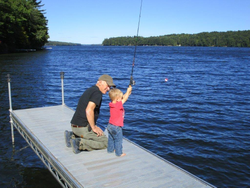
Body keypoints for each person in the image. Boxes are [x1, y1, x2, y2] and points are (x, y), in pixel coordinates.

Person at [64, 74, 116, 154]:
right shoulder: (97, 93)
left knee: (96, 134)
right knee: (107, 142)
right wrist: (93, 127)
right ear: (100, 82)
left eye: (110, 87)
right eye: (107, 85)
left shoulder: (91, 90)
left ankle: (72, 135)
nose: (108, 89)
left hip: (74, 125)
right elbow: (89, 110)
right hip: (82, 128)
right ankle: (80, 144)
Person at [107, 85, 132, 157]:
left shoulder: (112, 104)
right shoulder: (118, 105)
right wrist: (127, 91)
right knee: (118, 140)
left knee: (111, 139)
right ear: (118, 99)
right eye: (120, 97)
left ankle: (110, 150)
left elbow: (123, 98)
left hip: (110, 125)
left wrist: (128, 92)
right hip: (116, 127)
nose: (122, 98)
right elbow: (124, 99)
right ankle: (119, 153)